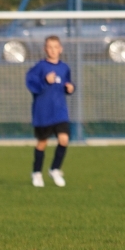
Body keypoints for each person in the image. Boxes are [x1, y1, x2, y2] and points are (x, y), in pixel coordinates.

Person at [26, 35, 74, 187]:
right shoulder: (40, 67)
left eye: (55, 47)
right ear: (45, 49)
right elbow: (31, 84)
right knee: (42, 143)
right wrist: (44, 81)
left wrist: (70, 88)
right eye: (50, 47)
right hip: (43, 112)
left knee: (64, 139)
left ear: (61, 49)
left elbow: (67, 83)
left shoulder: (64, 68)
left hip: (60, 111)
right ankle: (37, 172)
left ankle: (54, 169)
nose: (53, 50)